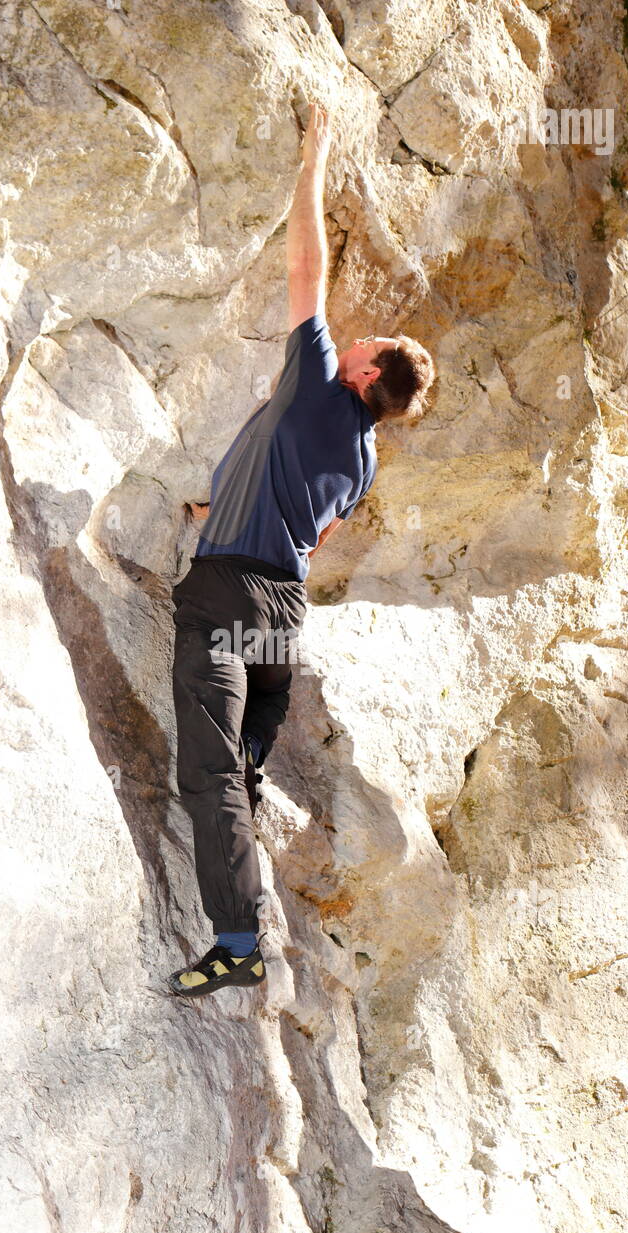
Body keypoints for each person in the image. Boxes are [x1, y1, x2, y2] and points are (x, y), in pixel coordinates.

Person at [168, 103, 435, 998]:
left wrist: (314, 157)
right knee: (235, 769)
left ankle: (239, 941)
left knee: (209, 775)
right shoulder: (359, 457)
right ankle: (244, 866)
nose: (357, 335)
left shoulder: (318, 383)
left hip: (230, 598)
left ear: (365, 372)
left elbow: (305, 263)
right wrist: (222, 501)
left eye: (370, 342)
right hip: (281, 620)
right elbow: (309, 529)